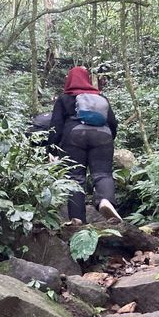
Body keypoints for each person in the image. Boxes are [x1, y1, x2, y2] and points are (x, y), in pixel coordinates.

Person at [48, 66, 121, 224]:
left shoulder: (64, 99)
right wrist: (107, 141)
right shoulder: (100, 98)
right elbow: (113, 123)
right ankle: (105, 201)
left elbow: (56, 126)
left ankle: (77, 219)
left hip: (74, 136)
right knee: (103, 174)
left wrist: (52, 149)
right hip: (103, 136)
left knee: (75, 178)